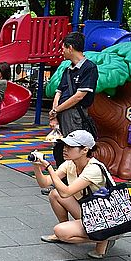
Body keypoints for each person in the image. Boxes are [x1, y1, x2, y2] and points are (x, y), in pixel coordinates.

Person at [31, 130, 118, 259]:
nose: (65, 149)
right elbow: (45, 183)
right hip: (90, 210)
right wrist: (37, 166)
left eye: (70, 147)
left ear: (85, 150)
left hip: (107, 218)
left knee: (60, 231)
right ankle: (71, 229)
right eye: (65, 145)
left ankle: (105, 238)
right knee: (55, 194)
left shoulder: (93, 168)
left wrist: (48, 167)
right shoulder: (70, 164)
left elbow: (66, 192)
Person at [49, 31, 99, 167]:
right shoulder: (67, 70)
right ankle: (62, 184)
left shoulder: (89, 68)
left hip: (75, 115)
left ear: (70, 48)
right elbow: (58, 92)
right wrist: (54, 114)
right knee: (59, 149)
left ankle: (74, 185)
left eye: (63, 48)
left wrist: (56, 110)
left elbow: (79, 96)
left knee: (73, 151)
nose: (62, 51)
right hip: (62, 114)